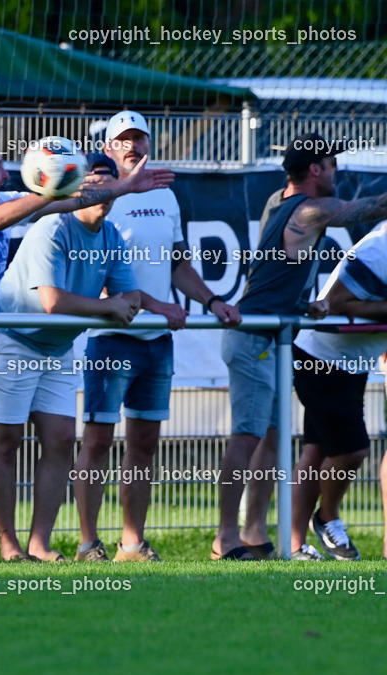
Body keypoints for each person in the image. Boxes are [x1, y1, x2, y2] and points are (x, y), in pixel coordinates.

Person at [0, 139, 173, 562]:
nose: (6, 168)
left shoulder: (16, 202)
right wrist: (48, 192)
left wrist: (121, 188)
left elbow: (69, 202)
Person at [74, 112, 241, 563]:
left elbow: (178, 264)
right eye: (122, 140)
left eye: (138, 138)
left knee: (145, 442)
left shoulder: (166, 195)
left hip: (156, 342)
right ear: (108, 148)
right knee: (97, 441)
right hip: (111, 336)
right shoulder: (97, 198)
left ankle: (132, 542)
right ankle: (88, 543)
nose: (131, 146)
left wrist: (212, 301)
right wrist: (160, 306)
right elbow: (104, 276)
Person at [214, 132, 387, 560]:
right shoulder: (311, 209)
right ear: (315, 170)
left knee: (270, 440)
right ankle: (225, 539)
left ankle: (256, 537)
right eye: (331, 163)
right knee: (246, 439)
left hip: (274, 335)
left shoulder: (280, 201)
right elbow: (367, 208)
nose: (337, 171)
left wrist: (301, 304)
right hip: (254, 336)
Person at [0, 154, 141, 563]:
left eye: (110, 185)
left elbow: (133, 296)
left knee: (59, 442)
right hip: (15, 341)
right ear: (77, 189)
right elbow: (52, 302)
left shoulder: (111, 236)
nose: (103, 195)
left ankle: (40, 544)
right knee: (5, 442)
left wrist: (120, 303)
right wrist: (108, 307)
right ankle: (9, 546)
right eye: (95, 185)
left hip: (58, 348)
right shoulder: (51, 227)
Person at [289, 226, 387, 560]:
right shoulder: (379, 249)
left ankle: (293, 547)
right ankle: (327, 517)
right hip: (322, 357)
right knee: (353, 451)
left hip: (352, 361)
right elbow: (335, 303)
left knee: (316, 452)